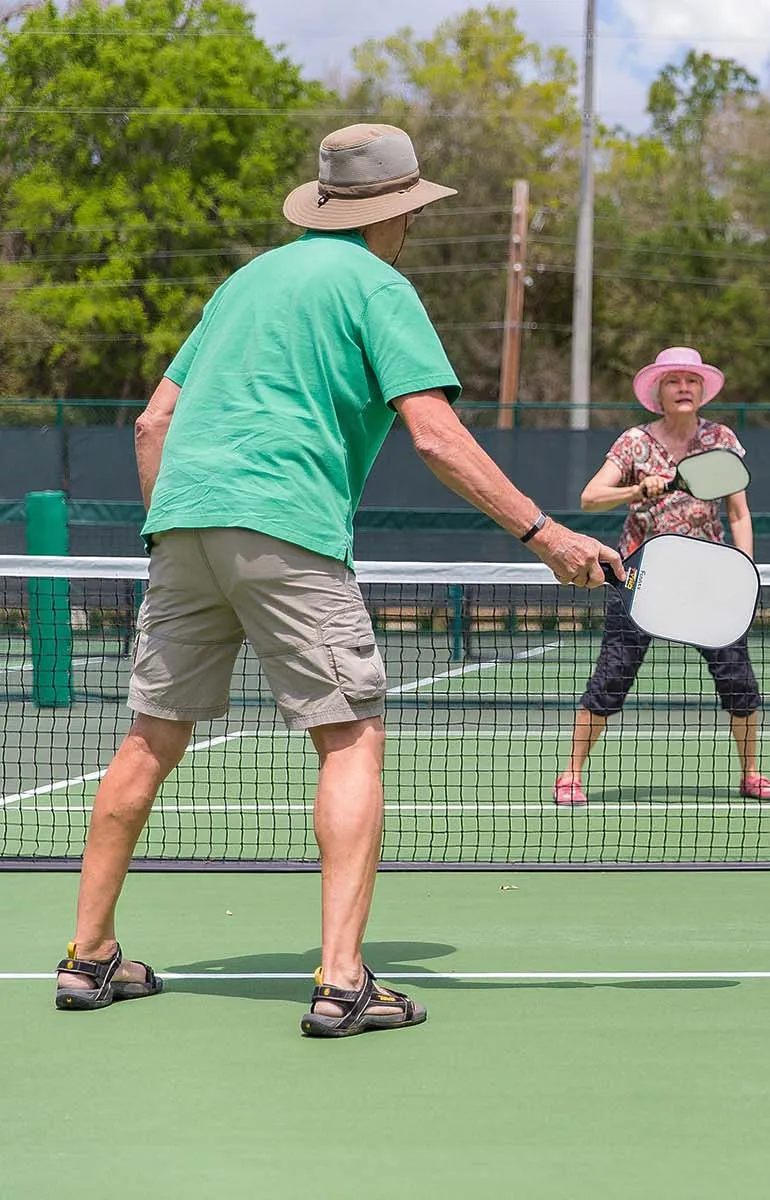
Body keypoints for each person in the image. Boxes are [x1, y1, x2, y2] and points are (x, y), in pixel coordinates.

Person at [52, 124, 617, 1036]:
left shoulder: (244, 282)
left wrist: (172, 529)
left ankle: (88, 957)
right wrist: (542, 532)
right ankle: (343, 980)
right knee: (349, 738)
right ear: (394, 214)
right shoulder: (379, 286)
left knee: (150, 739)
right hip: (286, 528)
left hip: (180, 528)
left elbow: (153, 424)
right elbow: (433, 434)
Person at [554, 347, 770, 805]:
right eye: (674, 381)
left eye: (692, 381)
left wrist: (745, 571)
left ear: (702, 391)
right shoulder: (634, 443)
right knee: (612, 676)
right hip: (640, 578)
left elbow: (738, 513)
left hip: (710, 580)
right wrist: (639, 488)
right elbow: (589, 497)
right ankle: (571, 775)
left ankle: (751, 774)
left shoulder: (720, 439)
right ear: (657, 393)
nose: (684, 387)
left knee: (738, 680)